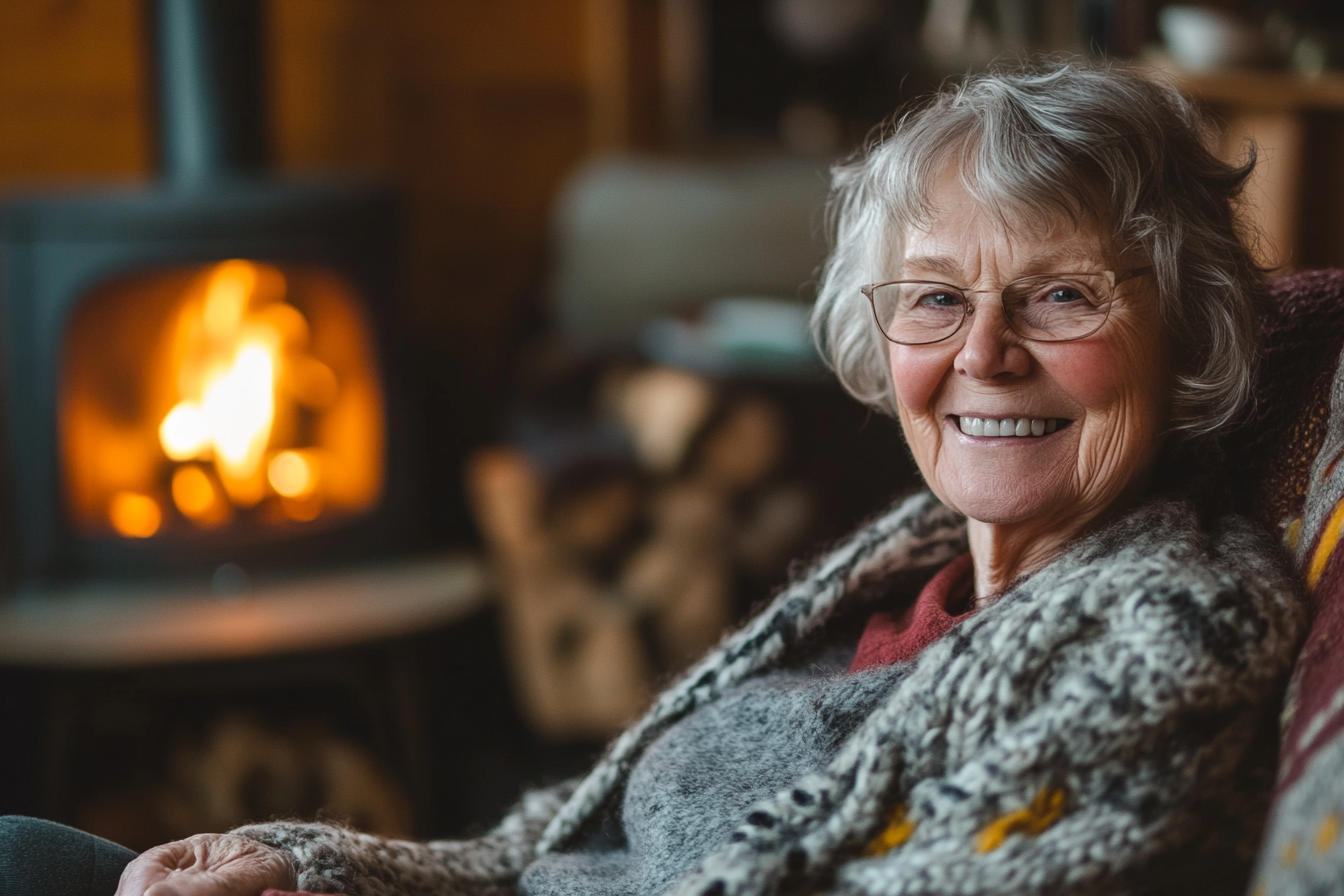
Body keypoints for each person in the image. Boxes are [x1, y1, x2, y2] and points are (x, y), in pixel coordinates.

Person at [3, 58, 1306, 896]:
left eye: (1062, 296)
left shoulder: (1174, 625)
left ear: (1187, 330)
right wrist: (305, 867)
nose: (983, 354)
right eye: (933, 299)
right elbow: (559, 853)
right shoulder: (903, 567)